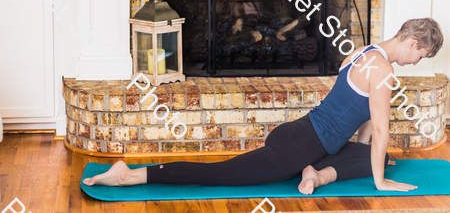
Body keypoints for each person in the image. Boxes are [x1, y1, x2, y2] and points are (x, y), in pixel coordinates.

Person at [83, 17, 443, 195]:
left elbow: (365, 123)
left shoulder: (366, 51)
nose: (417, 62)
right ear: (412, 43)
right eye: (421, 55)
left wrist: (368, 157)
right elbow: (381, 128)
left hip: (303, 133)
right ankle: (130, 174)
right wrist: (380, 183)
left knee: (376, 154)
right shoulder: (383, 72)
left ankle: (314, 173)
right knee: (222, 176)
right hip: (300, 144)